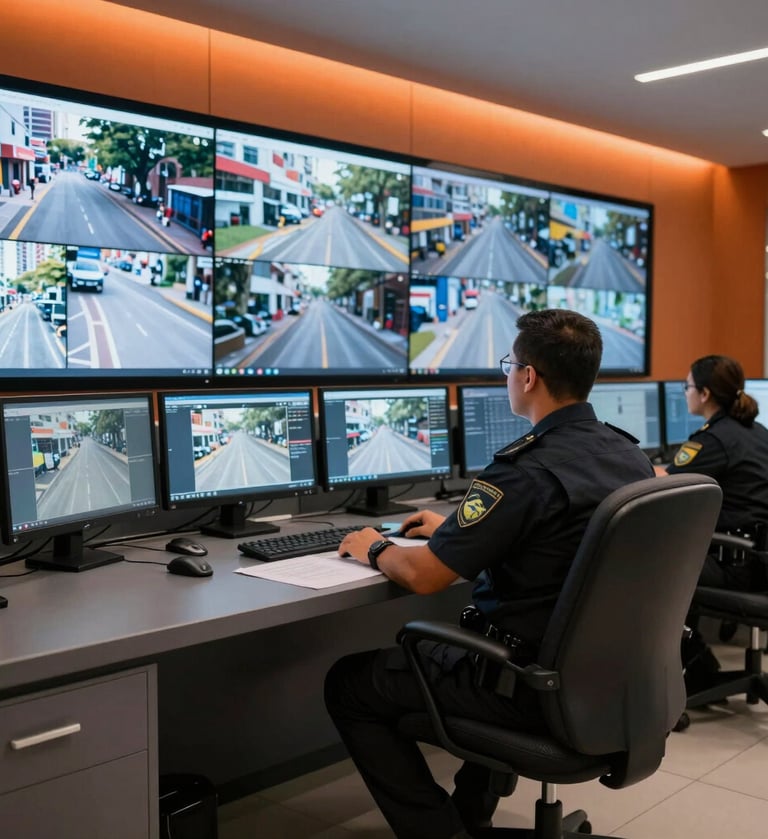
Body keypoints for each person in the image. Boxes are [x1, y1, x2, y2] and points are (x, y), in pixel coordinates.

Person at [324, 309, 655, 839]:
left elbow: (428, 578)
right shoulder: (628, 456)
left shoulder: (523, 470)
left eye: (510, 365)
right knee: (497, 641)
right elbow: (556, 541)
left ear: (528, 377)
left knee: (348, 684)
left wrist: (374, 545)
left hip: (526, 688)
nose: (508, 375)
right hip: (609, 683)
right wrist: (453, 528)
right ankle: (471, 815)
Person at [657, 355, 768, 683]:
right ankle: (696, 664)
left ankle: (691, 667)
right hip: (758, 560)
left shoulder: (712, 441)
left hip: (739, 564)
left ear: (704, 394)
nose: (685, 392)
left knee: (652, 563)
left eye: (687, 386)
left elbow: (665, 481)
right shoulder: (757, 431)